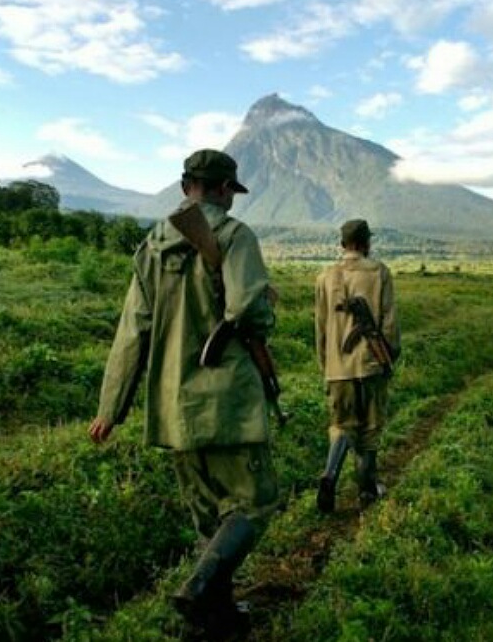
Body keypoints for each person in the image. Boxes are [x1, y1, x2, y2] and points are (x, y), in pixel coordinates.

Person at [88, 149, 278, 639]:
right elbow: (248, 311)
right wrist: (265, 313)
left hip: (174, 408)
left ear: (183, 186)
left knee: (210, 521)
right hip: (227, 402)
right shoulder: (235, 236)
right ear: (222, 190)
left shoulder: (152, 247)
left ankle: (215, 622)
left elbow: (132, 332)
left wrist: (111, 408)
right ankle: (197, 589)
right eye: (229, 193)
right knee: (253, 504)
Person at [313, 219, 401, 513]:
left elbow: (321, 330)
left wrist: (328, 365)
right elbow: (389, 326)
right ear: (366, 243)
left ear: (342, 245)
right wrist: (389, 357)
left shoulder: (326, 276)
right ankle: (366, 491)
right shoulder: (379, 273)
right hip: (371, 364)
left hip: (338, 369)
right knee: (370, 429)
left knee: (341, 425)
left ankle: (330, 475)